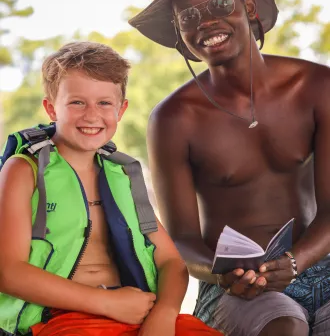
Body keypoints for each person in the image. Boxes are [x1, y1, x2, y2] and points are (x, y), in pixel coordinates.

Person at [129, 0, 330, 335]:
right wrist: (223, 274)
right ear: (177, 31)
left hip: (319, 262)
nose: (204, 23)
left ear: (248, 7)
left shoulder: (316, 86)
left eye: (219, 4)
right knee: (284, 326)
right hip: (235, 288)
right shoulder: (173, 119)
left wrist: (293, 263)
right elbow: (183, 241)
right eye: (188, 15)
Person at [0, 42, 222, 336]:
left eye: (104, 103)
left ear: (121, 109)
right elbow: (8, 272)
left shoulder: (123, 176)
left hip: (136, 313)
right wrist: (107, 303)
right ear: (51, 108)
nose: (92, 115)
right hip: (58, 320)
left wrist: (164, 315)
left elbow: (170, 261)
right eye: (77, 102)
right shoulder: (23, 170)